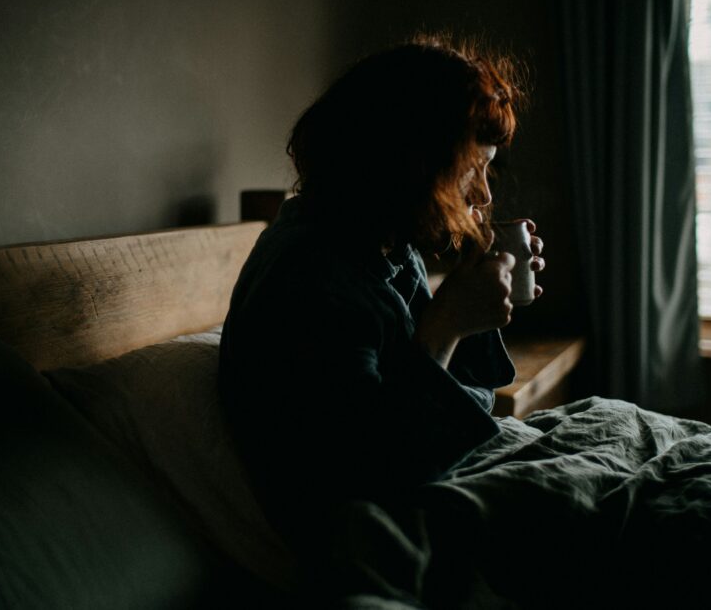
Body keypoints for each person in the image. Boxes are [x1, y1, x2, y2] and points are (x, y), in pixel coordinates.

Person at [217, 35, 545, 577]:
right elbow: (369, 474)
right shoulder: (307, 278)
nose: (484, 195)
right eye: (472, 169)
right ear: (411, 162)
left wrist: (471, 294)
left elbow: (467, 399)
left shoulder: (380, 241)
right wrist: (446, 323)